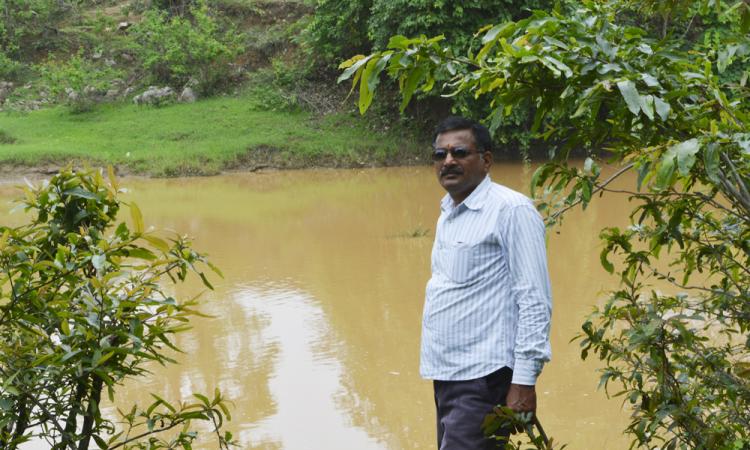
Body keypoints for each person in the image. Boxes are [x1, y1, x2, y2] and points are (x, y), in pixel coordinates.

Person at [420, 116, 552, 449]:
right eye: (440, 154)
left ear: (486, 160)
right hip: (448, 374)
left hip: (482, 378)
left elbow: (534, 300)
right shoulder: (449, 211)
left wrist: (523, 382)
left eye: (460, 151)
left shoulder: (511, 211)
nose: (448, 161)